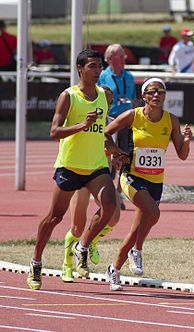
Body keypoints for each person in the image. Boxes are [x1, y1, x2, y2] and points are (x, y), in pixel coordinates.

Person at [27, 49, 128, 290]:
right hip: (70, 166)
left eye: (99, 66)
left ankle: (82, 246)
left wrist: (114, 150)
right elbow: (53, 132)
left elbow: (102, 130)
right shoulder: (68, 96)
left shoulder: (104, 96)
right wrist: (83, 125)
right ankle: (36, 262)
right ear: (80, 69)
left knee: (111, 207)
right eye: (92, 66)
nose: (97, 71)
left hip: (96, 166)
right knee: (54, 218)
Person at [104, 77, 192, 291]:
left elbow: (182, 155)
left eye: (160, 92)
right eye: (151, 92)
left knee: (136, 229)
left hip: (155, 181)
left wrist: (187, 140)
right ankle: (138, 251)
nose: (156, 95)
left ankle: (114, 269)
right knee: (153, 214)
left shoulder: (171, 120)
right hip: (131, 176)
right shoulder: (133, 115)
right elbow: (105, 132)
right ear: (143, 96)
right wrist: (114, 152)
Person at [62, 85, 121, 283]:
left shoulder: (112, 124)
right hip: (80, 173)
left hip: (100, 175)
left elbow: (111, 148)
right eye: (107, 99)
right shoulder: (85, 118)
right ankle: (67, 265)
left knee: (113, 216)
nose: (109, 103)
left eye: (111, 101)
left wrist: (116, 157)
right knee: (77, 227)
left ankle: (91, 240)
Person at [98, 44, 136, 210]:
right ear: (109, 59)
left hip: (127, 123)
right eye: (120, 56)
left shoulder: (129, 77)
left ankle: (118, 193)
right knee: (109, 160)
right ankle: (105, 193)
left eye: (124, 56)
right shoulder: (102, 76)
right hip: (110, 123)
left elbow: (133, 100)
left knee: (126, 158)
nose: (123, 59)